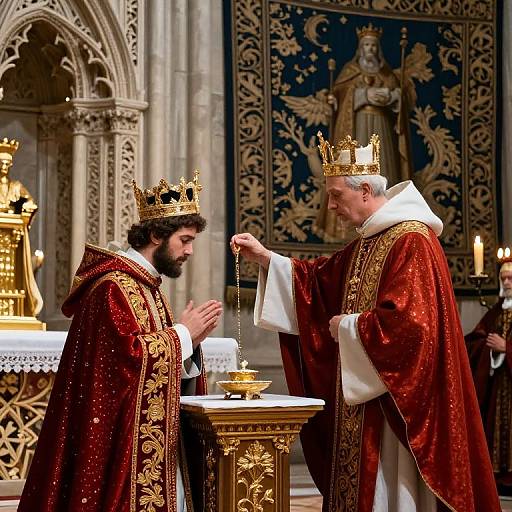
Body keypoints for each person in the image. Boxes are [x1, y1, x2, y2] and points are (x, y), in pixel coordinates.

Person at [231, 133, 500, 511]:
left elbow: (412, 328)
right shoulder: (370, 241)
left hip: (396, 410)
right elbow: (317, 282)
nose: (331, 205)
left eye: (336, 195)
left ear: (366, 190)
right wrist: (265, 259)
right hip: (368, 401)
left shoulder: (412, 240)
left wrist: (348, 327)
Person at [18, 170, 223, 512]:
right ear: (157, 234)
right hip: (116, 442)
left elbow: (151, 357)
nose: (189, 251)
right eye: (184, 240)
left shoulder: (146, 286)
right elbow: (125, 364)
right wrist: (182, 335)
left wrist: (190, 344)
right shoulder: (114, 287)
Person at [315, 24, 413, 241]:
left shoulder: (388, 75)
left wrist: (392, 97)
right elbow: (340, 94)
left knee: (384, 168)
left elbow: (402, 99)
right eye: (366, 45)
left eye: (337, 196)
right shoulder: (350, 72)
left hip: (381, 127)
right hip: (357, 125)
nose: (369, 49)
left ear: (366, 191)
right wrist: (361, 96)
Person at [465, 259, 512, 495]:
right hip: (497, 384)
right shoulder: (495, 312)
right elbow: (476, 339)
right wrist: (488, 348)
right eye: (503, 278)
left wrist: (507, 348)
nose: (506, 282)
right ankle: (498, 477)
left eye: (510, 278)